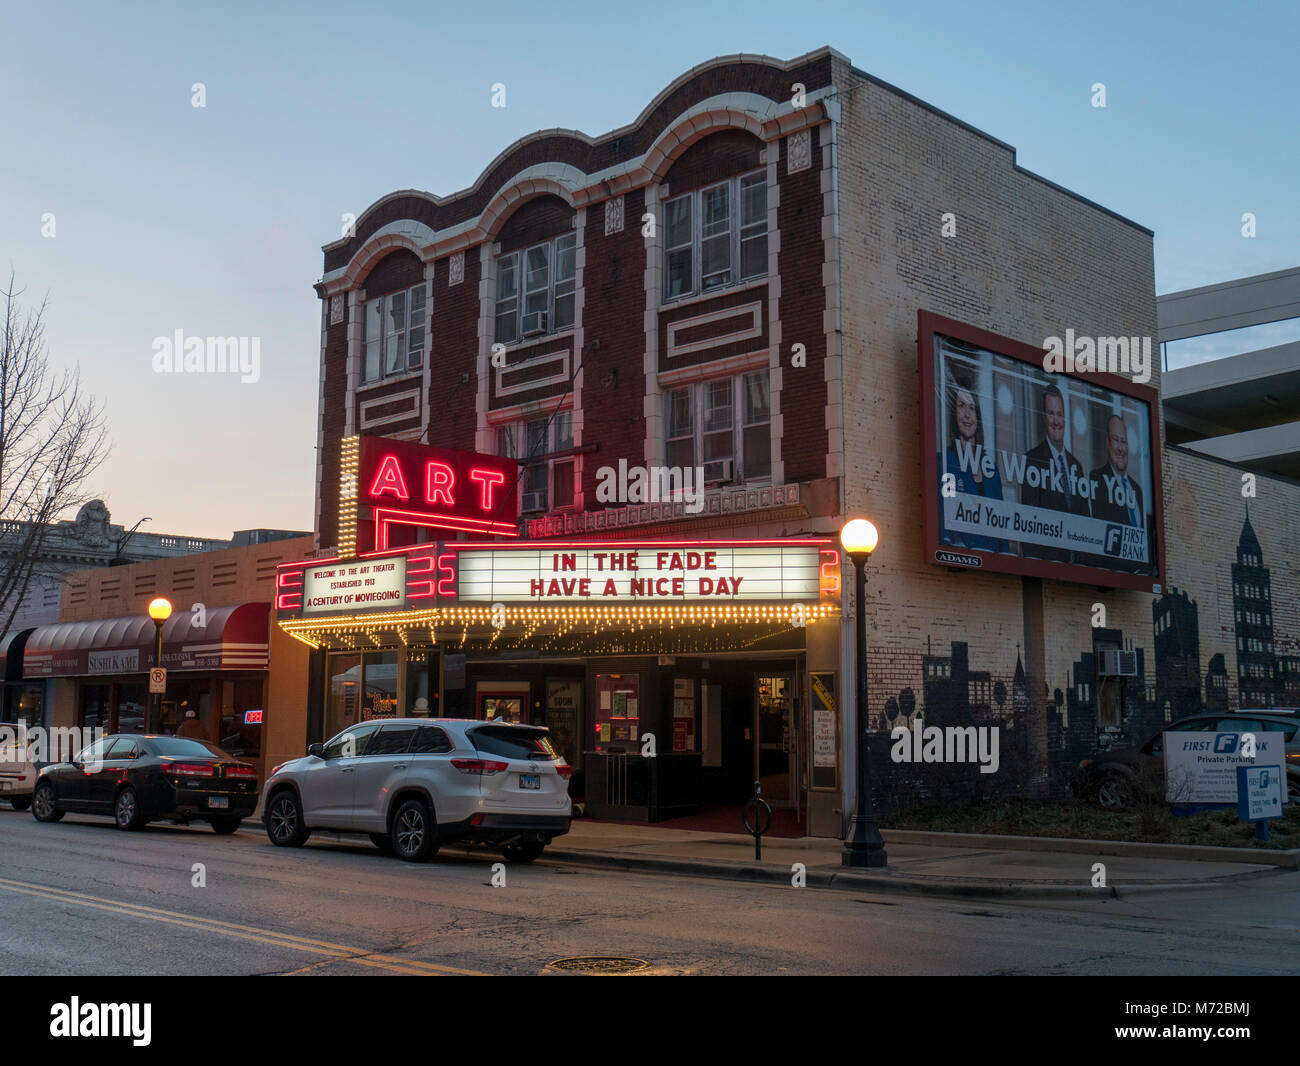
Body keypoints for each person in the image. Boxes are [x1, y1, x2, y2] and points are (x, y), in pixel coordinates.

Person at [1019, 383, 1090, 563]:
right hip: (1048, 565)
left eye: (1059, 414)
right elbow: (1029, 523)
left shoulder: (1076, 466)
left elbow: (1086, 522)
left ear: (1065, 418)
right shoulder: (1032, 460)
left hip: (1078, 568)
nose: (1056, 421)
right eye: (1051, 414)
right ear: (1044, 417)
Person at [938, 383, 1009, 553]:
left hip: (994, 562)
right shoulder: (944, 462)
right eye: (961, 406)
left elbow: (1001, 525)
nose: (967, 414)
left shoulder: (991, 469)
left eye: (972, 408)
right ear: (953, 413)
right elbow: (943, 517)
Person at [1088, 415, 1147, 572]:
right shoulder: (1097, 479)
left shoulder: (1137, 490)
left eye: (1124, 441)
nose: (1121, 448)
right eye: (1116, 440)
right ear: (1107, 443)